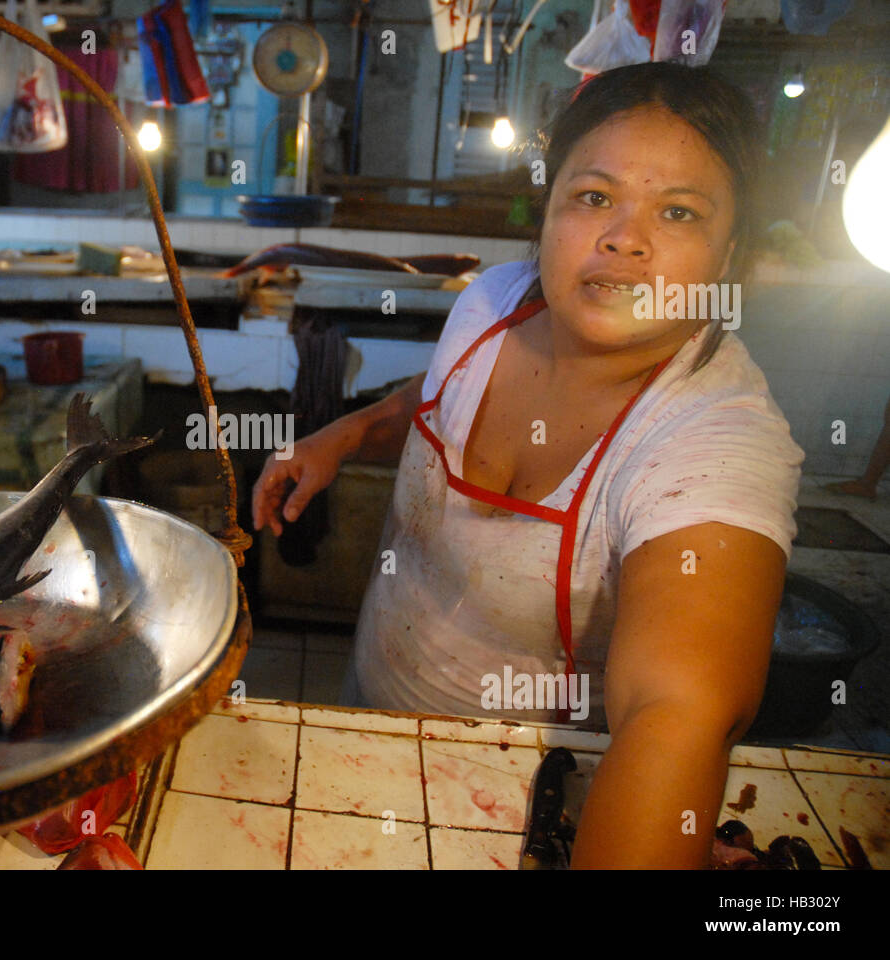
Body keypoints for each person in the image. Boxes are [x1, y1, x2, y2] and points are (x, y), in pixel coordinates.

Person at [252, 62, 805, 869]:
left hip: (523, 808)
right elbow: (440, 390)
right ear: (546, 213)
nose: (624, 237)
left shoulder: (714, 438)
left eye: (678, 211)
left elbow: (675, 715)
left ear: (729, 255)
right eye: (593, 196)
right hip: (369, 712)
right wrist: (344, 435)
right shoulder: (493, 301)